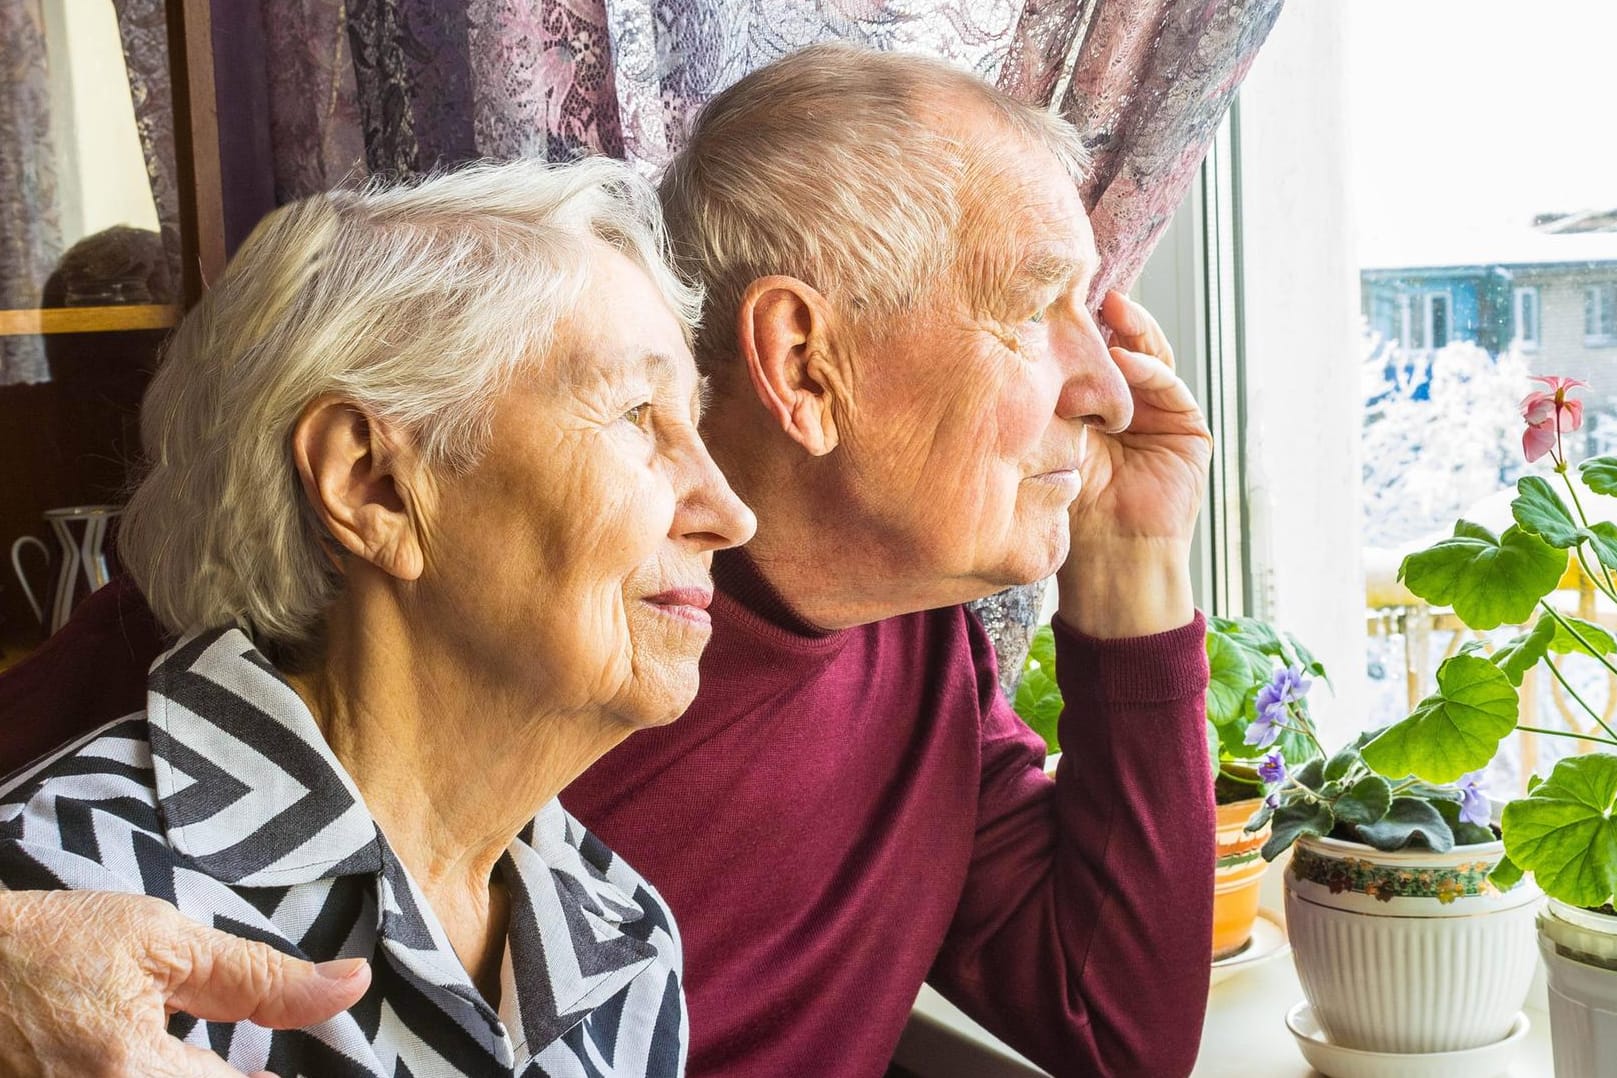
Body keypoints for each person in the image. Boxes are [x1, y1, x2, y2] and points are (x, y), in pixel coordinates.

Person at [0, 44, 1213, 1078]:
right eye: (1036, 304)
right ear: (800, 364)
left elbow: (1113, 1022)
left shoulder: (625, 912)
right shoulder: (209, 714)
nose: (1107, 391)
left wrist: (1135, 569)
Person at [0, 156, 754, 1077]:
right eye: (638, 415)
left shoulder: (619, 930)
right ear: (375, 486)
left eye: (695, 426)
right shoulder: (69, 899)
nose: (728, 512)